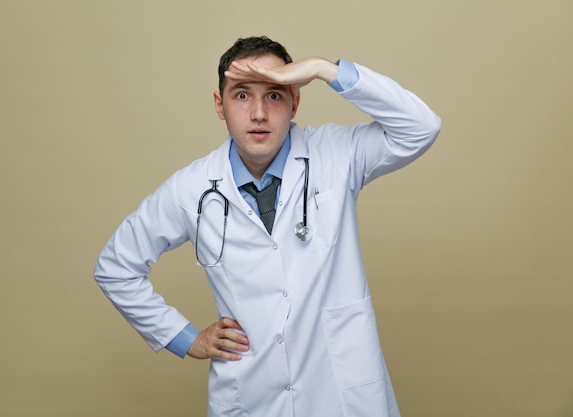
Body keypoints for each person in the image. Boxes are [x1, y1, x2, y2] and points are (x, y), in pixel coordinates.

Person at [94, 35, 441, 417]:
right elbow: (115, 267)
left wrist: (324, 69)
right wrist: (185, 339)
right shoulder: (191, 188)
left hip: (342, 394)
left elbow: (421, 127)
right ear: (219, 105)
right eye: (242, 95)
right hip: (251, 395)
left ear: (295, 102)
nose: (258, 113)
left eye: (274, 95)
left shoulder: (336, 154)